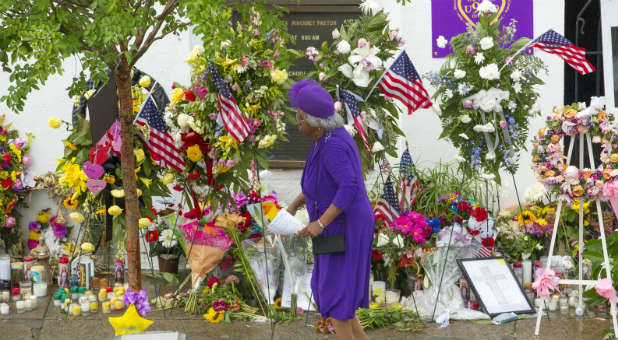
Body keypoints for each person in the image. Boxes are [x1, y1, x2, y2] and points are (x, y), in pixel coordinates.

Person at [286, 79, 374, 340]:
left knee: (339, 301)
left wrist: (320, 223)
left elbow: (348, 187)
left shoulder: (333, 144)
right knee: (339, 299)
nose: (298, 122)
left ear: (315, 122)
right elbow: (319, 182)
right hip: (335, 226)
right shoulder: (322, 140)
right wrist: (293, 206)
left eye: (300, 117)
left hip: (345, 226)